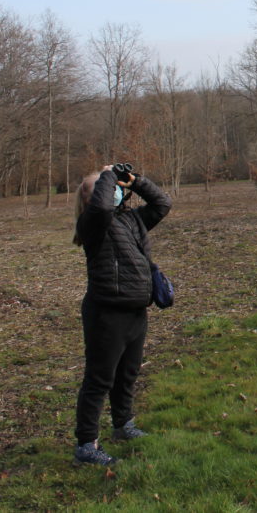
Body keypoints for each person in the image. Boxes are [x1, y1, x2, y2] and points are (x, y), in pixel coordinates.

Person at [71, 163, 172, 466]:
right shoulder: (92, 225)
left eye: (117, 187)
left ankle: (123, 425)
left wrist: (136, 181)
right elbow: (101, 209)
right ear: (94, 196)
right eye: (108, 187)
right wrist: (106, 175)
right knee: (99, 379)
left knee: (127, 374)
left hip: (135, 310)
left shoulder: (131, 221)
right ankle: (86, 444)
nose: (114, 191)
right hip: (106, 312)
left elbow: (162, 203)